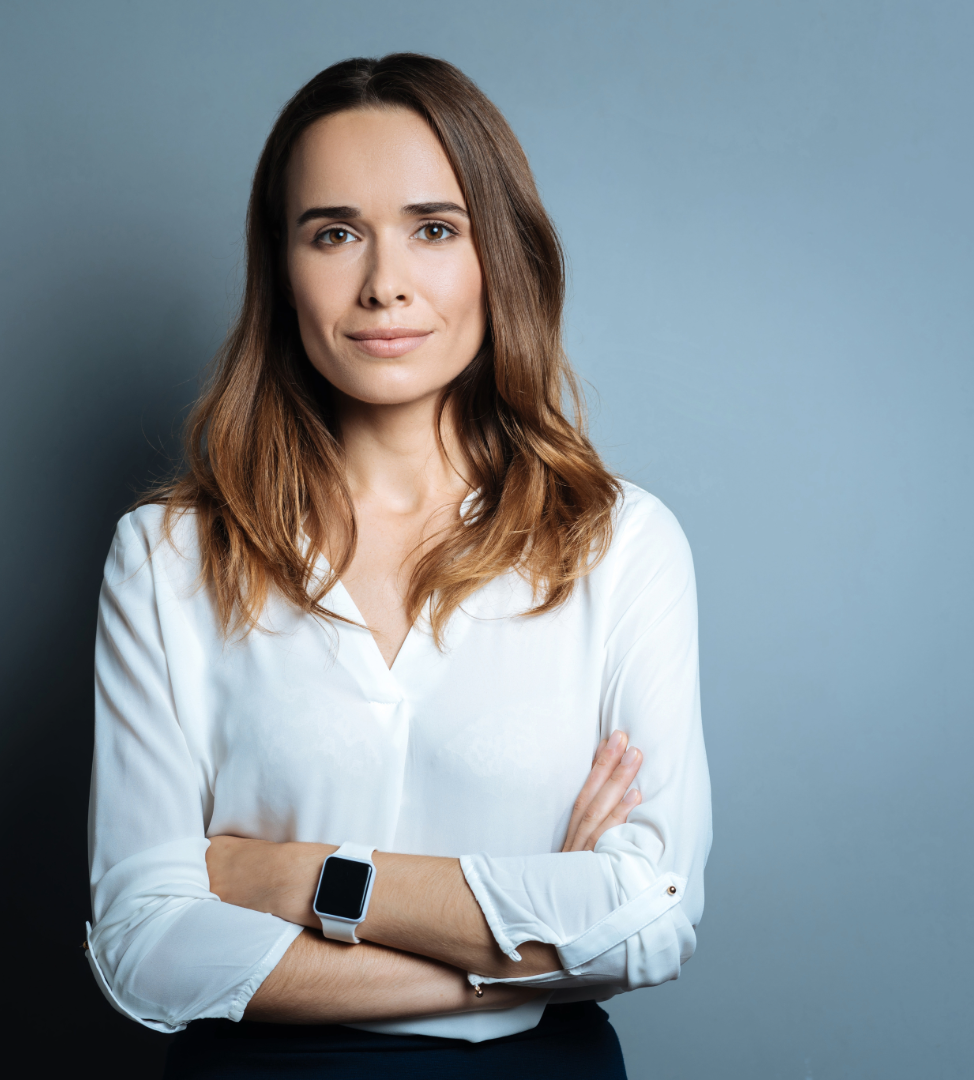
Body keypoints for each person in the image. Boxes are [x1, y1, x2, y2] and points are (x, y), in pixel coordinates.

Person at [86, 54, 711, 1079]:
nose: (384, 283)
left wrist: (289, 877)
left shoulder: (619, 545)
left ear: (495, 255)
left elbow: (651, 919)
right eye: (334, 233)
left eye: (434, 228)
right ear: (281, 269)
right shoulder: (167, 557)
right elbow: (145, 947)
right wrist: (524, 953)